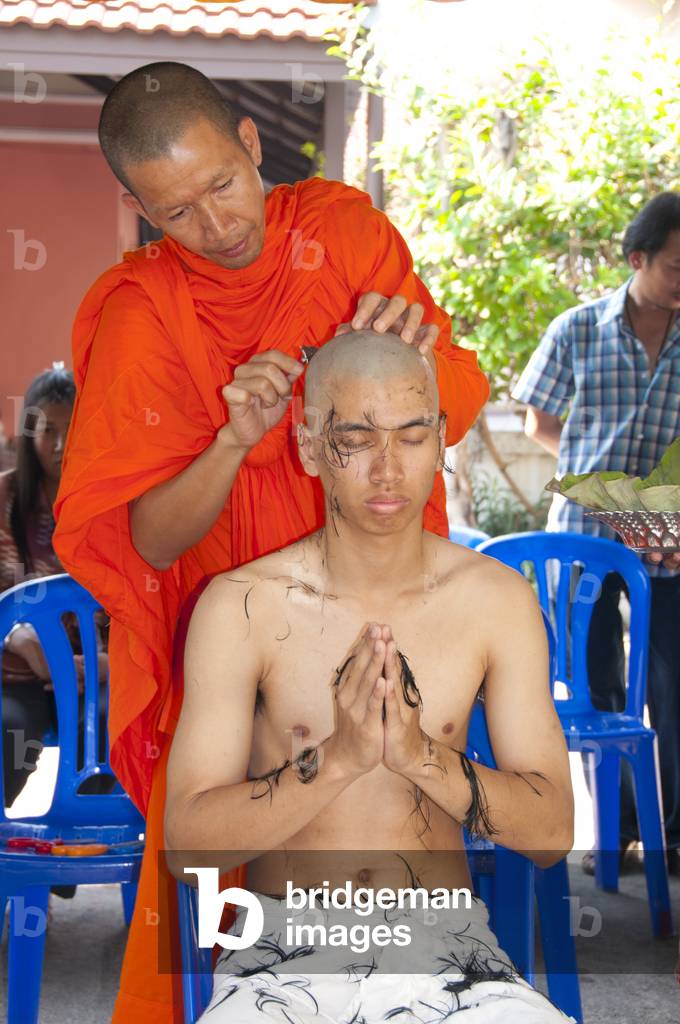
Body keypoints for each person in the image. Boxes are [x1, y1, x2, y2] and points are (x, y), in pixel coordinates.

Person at [50, 61, 490, 1021]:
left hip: (382, 609)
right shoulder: (141, 313)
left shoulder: (342, 234)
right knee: (240, 894)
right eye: (179, 213)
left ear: (252, 146)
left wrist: (409, 363)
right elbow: (153, 544)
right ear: (137, 208)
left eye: (223, 185)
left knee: (395, 865)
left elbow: (452, 398)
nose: (219, 226)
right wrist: (232, 442)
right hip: (236, 643)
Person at [164, 330, 574, 1023]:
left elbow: (552, 834)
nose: (388, 469)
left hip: (449, 952)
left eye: (413, 437)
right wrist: (336, 762)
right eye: (355, 437)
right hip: (281, 954)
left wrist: (420, 756)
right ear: (308, 445)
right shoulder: (242, 605)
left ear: (442, 437)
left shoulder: (496, 601)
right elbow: (187, 848)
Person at [511, 192, 680, 875]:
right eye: (674, 266)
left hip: (669, 537)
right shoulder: (576, 329)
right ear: (638, 260)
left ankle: (671, 835)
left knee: (670, 686)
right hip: (583, 536)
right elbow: (539, 422)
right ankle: (620, 834)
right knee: (598, 689)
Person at [1, 368, 112, 863]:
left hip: (98, 679)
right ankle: (16, 870)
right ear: (29, 433)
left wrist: (108, 662)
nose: (62, 444)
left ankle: (75, 853)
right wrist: (22, 639)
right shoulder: (3, 500)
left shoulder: (111, 503)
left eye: (74, 429)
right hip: (17, 678)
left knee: (119, 738)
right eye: (48, 430)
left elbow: (134, 602)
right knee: (9, 736)